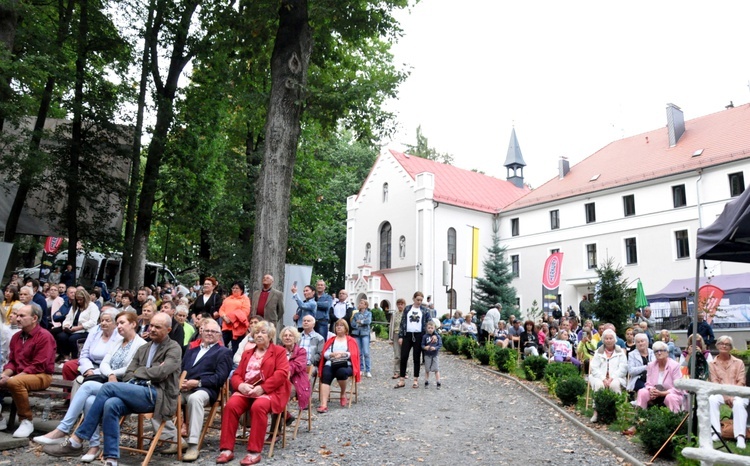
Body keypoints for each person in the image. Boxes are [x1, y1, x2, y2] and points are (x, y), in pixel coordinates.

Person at [42, 313, 182, 466]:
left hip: (157, 395)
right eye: (151, 325)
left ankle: (78, 438)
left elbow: (162, 373)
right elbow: (130, 372)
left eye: (158, 327)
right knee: (111, 404)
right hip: (135, 390)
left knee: (108, 387)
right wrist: (146, 371)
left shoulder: (173, 348)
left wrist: (140, 372)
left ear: (168, 330)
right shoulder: (144, 347)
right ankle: (111, 458)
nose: (152, 329)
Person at [33, 311, 147, 462]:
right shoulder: (119, 342)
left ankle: (64, 429)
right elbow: (105, 362)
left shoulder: (141, 344)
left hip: (123, 386)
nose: (118, 326)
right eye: (117, 323)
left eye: (122, 323)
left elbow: (130, 369)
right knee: (89, 401)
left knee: (87, 386)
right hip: (108, 380)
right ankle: (94, 445)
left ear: (133, 324)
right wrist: (110, 374)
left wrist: (112, 374)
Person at [216, 320, 290, 465]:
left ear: (270, 336)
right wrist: (241, 385)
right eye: (256, 332)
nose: (259, 335)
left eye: (263, 332)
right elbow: (237, 374)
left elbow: (281, 373)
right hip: (247, 390)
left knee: (258, 406)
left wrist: (262, 388)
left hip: (269, 391)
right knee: (231, 405)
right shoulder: (248, 352)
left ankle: (254, 452)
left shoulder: (279, 351)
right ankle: (226, 450)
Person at [177, 318, 232, 462]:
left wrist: (197, 383)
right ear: (202, 331)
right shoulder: (191, 349)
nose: (209, 333)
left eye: (214, 332)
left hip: (206, 389)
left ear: (219, 335)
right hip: (184, 387)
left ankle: (192, 445)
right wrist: (180, 382)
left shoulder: (223, 352)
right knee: (161, 397)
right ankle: (171, 436)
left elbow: (220, 378)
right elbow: (181, 369)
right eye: (207, 330)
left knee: (195, 399)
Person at [0, 303, 55, 437]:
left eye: (22, 316)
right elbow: (12, 362)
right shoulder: (16, 337)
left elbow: (38, 365)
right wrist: (4, 374)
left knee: (14, 383)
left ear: (34, 318)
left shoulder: (44, 337)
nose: (17, 318)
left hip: (41, 375)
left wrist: (12, 378)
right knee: (6, 380)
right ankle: (0, 418)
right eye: (17, 315)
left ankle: (26, 421)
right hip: (21, 375)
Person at [62, 307, 123, 383]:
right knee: (68, 366)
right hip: (90, 363)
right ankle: (69, 393)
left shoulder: (120, 336)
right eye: (102, 320)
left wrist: (94, 372)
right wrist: (88, 369)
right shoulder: (95, 331)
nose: (103, 323)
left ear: (115, 324)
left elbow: (114, 363)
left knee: (92, 378)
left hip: (107, 368)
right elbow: (84, 354)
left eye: (107, 321)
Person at [708, 335, 748, 448]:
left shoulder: (739, 362)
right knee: (711, 399)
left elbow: (741, 381)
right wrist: (726, 396)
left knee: (739, 403)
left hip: (738, 393)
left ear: (731, 347)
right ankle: (716, 432)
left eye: (727, 344)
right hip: (721, 393)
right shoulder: (712, 364)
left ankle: (740, 436)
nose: (724, 346)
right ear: (717, 346)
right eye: (721, 343)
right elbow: (715, 382)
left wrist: (732, 395)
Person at [317, 319, 360, 413]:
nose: (339, 327)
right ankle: (323, 404)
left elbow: (354, 354)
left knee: (341, 372)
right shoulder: (331, 340)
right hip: (331, 362)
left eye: (341, 325)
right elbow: (325, 353)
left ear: (346, 328)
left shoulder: (351, 340)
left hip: (345, 363)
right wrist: (331, 354)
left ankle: (343, 393)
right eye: (337, 325)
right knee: (326, 375)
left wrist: (343, 354)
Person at [588, 329, 628, 423]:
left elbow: (623, 368)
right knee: (598, 385)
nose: (609, 340)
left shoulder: (620, 352)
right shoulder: (598, 351)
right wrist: (603, 378)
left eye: (611, 338)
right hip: (599, 377)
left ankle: (618, 410)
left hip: (616, 377)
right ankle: (596, 412)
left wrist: (612, 378)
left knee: (614, 385)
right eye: (606, 338)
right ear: (603, 340)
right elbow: (594, 368)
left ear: (614, 339)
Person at [635, 341, 684, 413]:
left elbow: (678, 387)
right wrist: (652, 390)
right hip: (656, 393)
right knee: (642, 392)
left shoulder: (675, 366)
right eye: (656, 351)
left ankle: (675, 420)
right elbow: (648, 384)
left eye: (661, 350)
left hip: (672, 394)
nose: (659, 353)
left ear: (667, 352)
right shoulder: (651, 365)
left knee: (670, 397)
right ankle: (640, 416)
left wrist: (662, 393)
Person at [395, 292, 430, 389]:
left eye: (421, 300)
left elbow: (430, 322)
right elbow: (402, 323)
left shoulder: (424, 310)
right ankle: (402, 379)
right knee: (404, 356)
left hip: (419, 335)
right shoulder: (407, 309)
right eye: (417, 299)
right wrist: (401, 336)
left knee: (416, 358)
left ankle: (415, 380)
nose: (419, 302)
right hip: (408, 335)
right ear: (413, 299)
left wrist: (431, 335)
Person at [57, 288, 100, 361]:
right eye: (77, 300)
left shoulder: (93, 307)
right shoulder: (75, 306)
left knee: (72, 339)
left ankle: (74, 358)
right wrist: (66, 325)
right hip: (73, 328)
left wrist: (78, 327)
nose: (79, 301)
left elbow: (92, 322)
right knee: (61, 336)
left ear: (85, 298)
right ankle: (65, 356)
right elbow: (68, 317)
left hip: (85, 330)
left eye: (81, 300)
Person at [280, 326, 311, 426]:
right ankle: (286, 415)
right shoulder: (278, 350)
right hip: (279, 381)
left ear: (295, 338)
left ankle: (277, 429)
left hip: (296, 382)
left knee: (279, 395)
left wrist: (281, 371)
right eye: (285, 336)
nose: (287, 338)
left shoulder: (301, 351)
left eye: (290, 335)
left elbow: (296, 366)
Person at [218, 281, 251, 356]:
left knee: (236, 349)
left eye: (237, 288)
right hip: (226, 327)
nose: (234, 290)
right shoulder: (227, 299)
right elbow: (221, 309)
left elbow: (245, 312)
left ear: (241, 290)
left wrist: (231, 318)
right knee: (221, 345)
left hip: (238, 327)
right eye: (233, 288)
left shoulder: (245, 299)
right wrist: (224, 317)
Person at [251, 274, 285, 338]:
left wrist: (273, 319)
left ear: (272, 281)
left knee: (269, 339)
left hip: (270, 322)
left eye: (267, 278)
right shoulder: (256, 293)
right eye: (264, 278)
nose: (265, 279)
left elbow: (281, 310)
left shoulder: (278, 294)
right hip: (257, 322)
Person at [350, 298, 372, 378]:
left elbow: (368, 321)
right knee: (359, 353)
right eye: (360, 303)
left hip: (365, 334)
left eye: (362, 303)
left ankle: (368, 370)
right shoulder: (356, 314)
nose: (360, 304)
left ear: (365, 305)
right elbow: (352, 324)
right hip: (357, 334)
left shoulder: (369, 313)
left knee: (366, 352)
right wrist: (359, 323)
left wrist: (360, 321)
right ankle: (361, 369)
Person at [421, 321, 442, 389]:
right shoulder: (425, 336)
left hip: (435, 355)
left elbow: (440, 345)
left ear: (434, 328)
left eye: (432, 328)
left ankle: (438, 382)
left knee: (436, 369)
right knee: (427, 369)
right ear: (427, 328)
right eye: (429, 328)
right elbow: (422, 344)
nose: (430, 329)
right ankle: (426, 381)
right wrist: (424, 347)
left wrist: (435, 348)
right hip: (427, 355)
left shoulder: (438, 336)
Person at [389, 298, 406, 379]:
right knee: (397, 355)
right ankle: (397, 371)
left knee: (404, 354)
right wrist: (391, 338)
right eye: (398, 304)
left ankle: (405, 371)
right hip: (396, 334)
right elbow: (391, 326)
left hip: (405, 335)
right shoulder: (394, 314)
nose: (400, 306)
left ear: (404, 305)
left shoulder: (406, 314)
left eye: (401, 304)